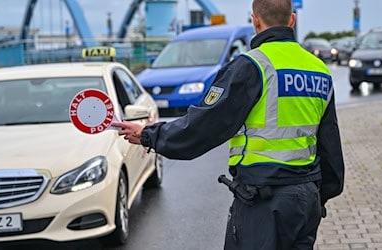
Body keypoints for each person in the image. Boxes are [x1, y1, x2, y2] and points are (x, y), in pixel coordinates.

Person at [112, 0, 345, 249]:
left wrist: (150, 135)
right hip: (306, 199)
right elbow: (330, 142)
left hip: (265, 201)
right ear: (292, 20)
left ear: (255, 19)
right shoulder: (318, 69)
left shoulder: (253, 66)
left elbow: (203, 127)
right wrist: (321, 194)